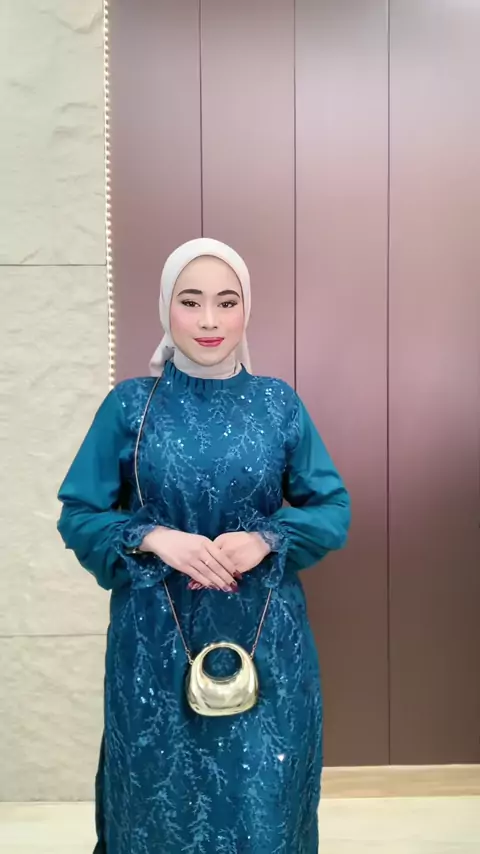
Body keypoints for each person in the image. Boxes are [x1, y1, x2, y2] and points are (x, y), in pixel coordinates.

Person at [57, 238, 351, 854]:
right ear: (166, 307)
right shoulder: (130, 406)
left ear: (247, 309)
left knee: (263, 807)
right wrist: (154, 537)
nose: (209, 320)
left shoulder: (278, 404)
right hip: (153, 648)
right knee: (156, 808)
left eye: (227, 301)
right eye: (190, 302)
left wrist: (265, 539)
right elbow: (80, 514)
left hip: (268, 647)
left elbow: (332, 510)